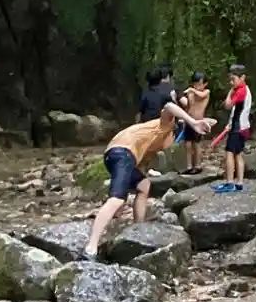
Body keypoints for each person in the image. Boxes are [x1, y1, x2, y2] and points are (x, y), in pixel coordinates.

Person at [85, 94, 214, 255]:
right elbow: (169, 106)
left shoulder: (151, 144)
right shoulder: (165, 126)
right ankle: (91, 247)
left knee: (144, 185)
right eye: (175, 141)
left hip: (115, 155)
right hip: (122, 152)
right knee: (116, 200)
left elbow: (138, 170)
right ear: (172, 134)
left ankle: (139, 227)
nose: (172, 146)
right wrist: (193, 122)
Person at [217, 64, 253, 190]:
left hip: (238, 127)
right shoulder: (245, 89)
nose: (231, 83)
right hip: (243, 127)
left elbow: (227, 105)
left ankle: (230, 182)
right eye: (230, 80)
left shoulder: (241, 91)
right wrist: (229, 123)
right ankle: (239, 183)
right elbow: (236, 110)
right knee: (238, 153)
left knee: (229, 152)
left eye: (233, 79)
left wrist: (229, 93)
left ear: (242, 77)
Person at [176, 71, 211, 173]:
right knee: (187, 143)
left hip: (199, 122)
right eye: (195, 84)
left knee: (197, 144)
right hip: (189, 121)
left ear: (205, 84)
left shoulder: (206, 92)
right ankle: (189, 166)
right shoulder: (192, 93)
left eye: (199, 84)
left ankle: (198, 165)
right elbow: (189, 105)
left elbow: (202, 95)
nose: (197, 87)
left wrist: (192, 90)